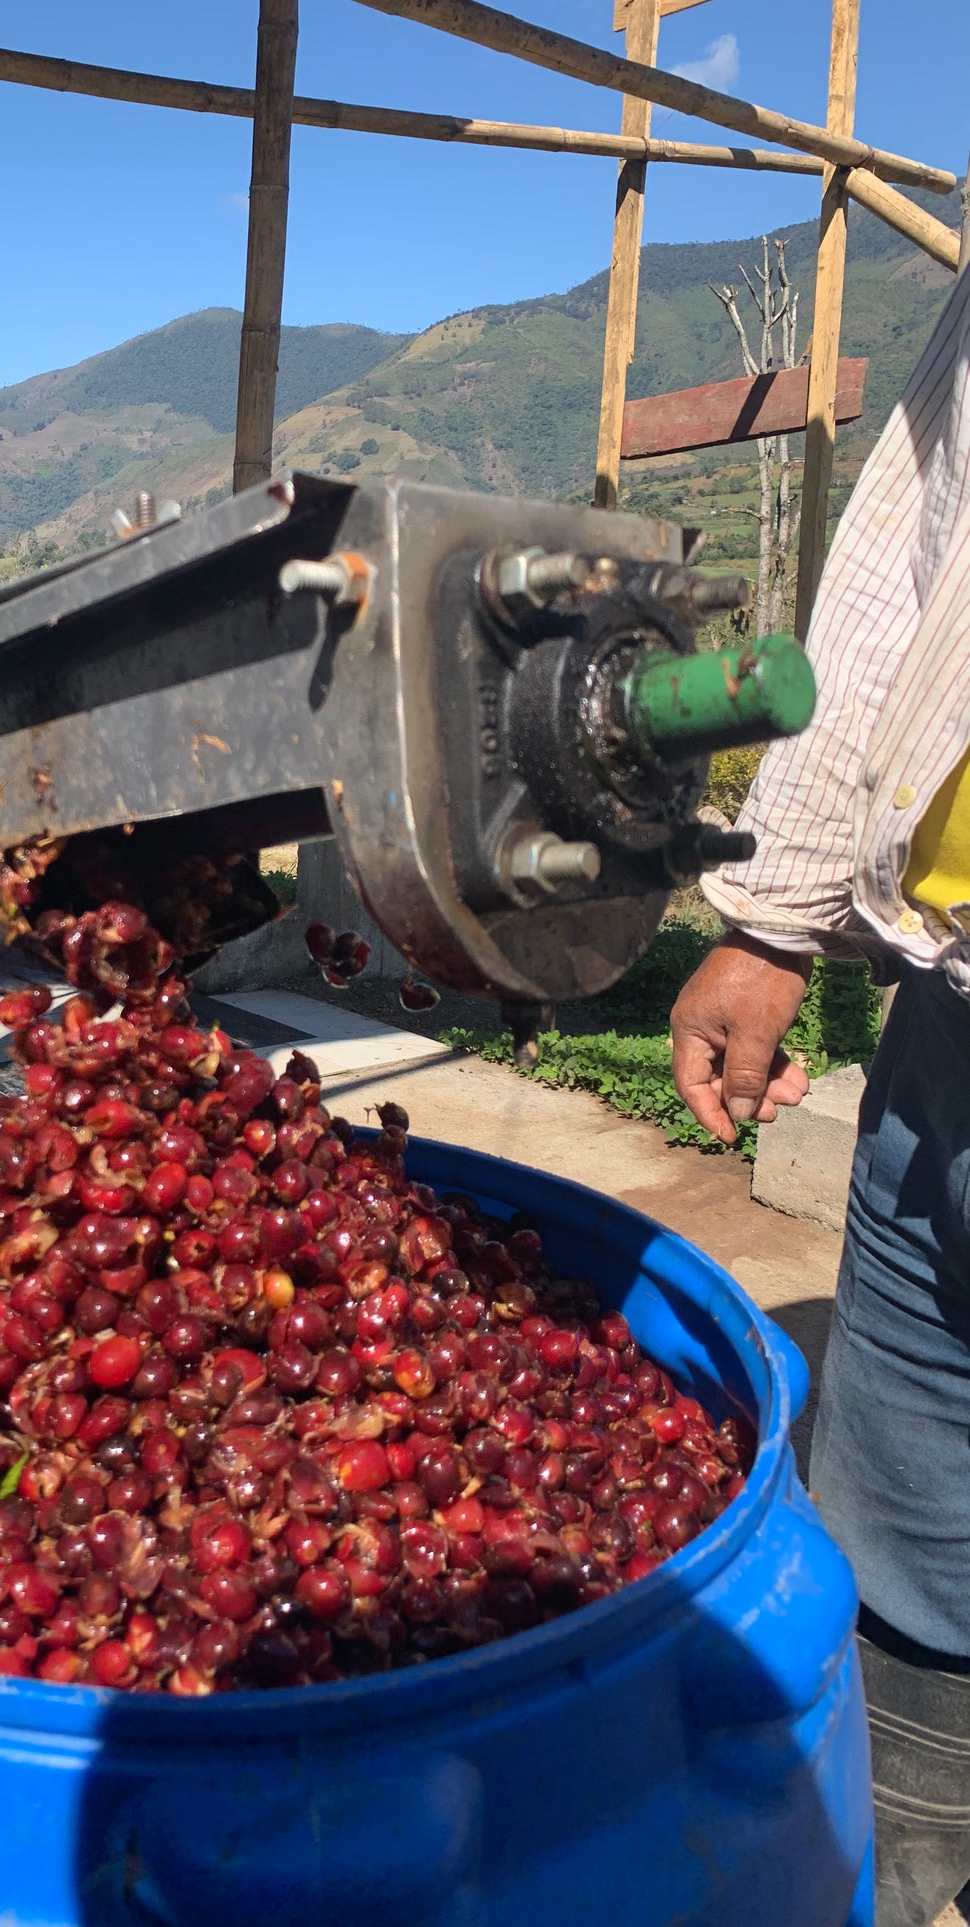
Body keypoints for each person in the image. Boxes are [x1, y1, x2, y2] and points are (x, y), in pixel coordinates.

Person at [670, 264, 970, 1927]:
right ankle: (897, 1846)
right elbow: (899, 559)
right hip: (953, 1009)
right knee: (907, 1486)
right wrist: (772, 917)